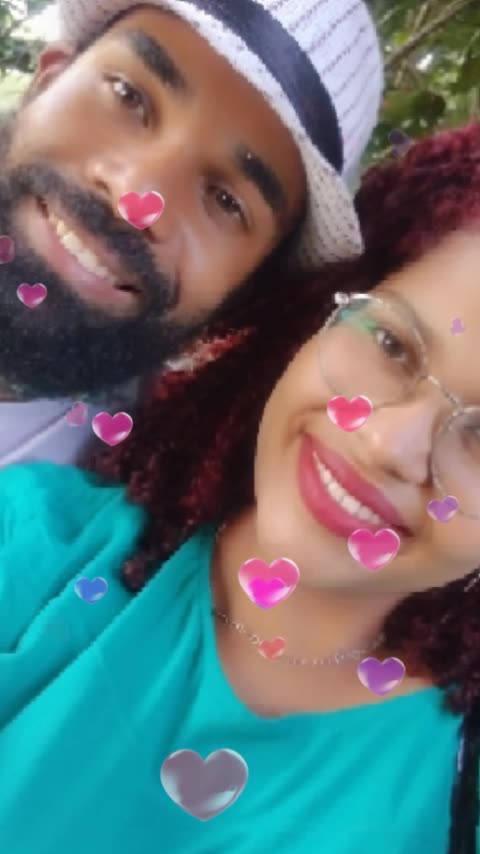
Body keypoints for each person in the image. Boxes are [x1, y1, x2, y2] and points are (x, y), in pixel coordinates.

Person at [5, 121, 480, 854]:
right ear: (315, 321)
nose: (389, 444)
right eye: (391, 344)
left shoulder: (451, 795)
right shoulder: (39, 543)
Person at [0, 0, 383, 465]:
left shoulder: (125, 487)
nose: (131, 197)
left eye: (227, 202)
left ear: (246, 289)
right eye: (128, 96)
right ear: (48, 78)